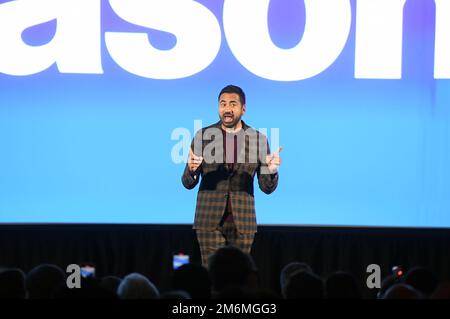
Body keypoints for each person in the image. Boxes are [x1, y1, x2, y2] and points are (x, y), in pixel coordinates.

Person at [182, 85, 281, 267]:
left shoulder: (258, 139)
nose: (227, 109)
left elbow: (266, 188)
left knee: (239, 277)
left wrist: (272, 170)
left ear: (243, 109)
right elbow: (187, 183)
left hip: (243, 220)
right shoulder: (203, 136)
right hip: (208, 218)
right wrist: (191, 170)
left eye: (233, 104)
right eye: (223, 104)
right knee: (212, 276)